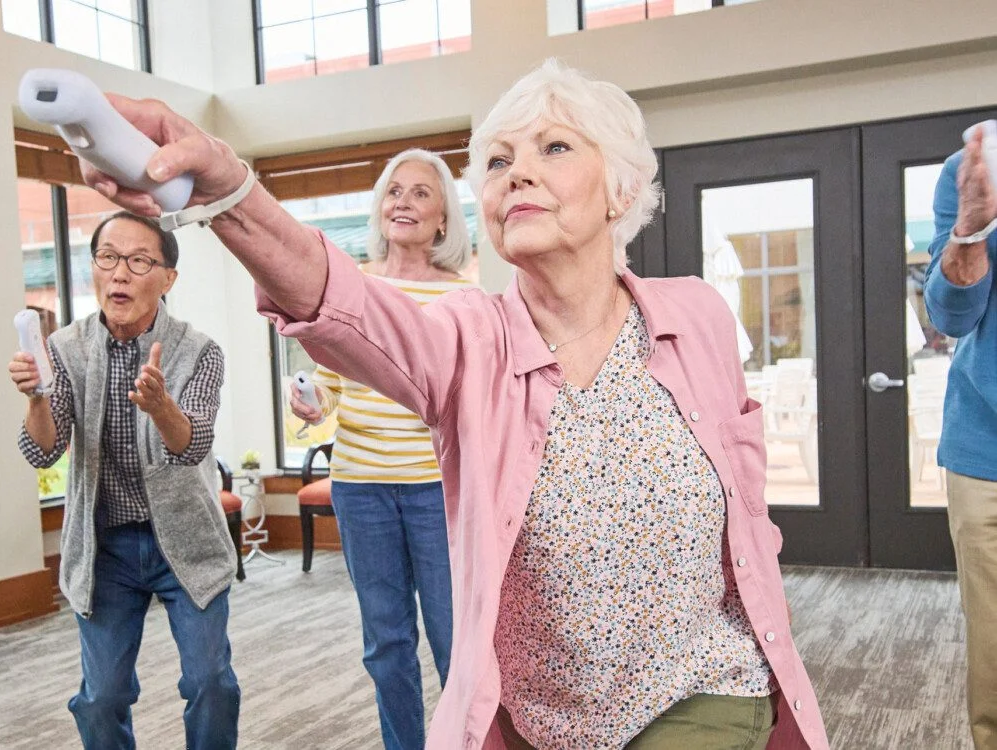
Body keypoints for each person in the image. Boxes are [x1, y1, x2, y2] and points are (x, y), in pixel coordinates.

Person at [80, 60, 828, 749]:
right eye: (498, 162)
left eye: (554, 149)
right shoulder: (470, 338)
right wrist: (227, 192)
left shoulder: (694, 315)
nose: (516, 174)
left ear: (622, 189)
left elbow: (745, 494)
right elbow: (341, 304)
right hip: (542, 717)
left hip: (699, 688)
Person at [8, 212, 240, 750]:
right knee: (102, 698)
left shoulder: (199, 350)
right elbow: (42, 452)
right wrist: (37, 396)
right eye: (108, 258)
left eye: (139, 261)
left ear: (168, 278)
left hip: (184, 541)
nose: (119, 274)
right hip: (104, 546)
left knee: (211, 683)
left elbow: (193, 444)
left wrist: (161, 407)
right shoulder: (65, 349)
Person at [289, 148, 472, 750]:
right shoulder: (355, 291)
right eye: (395, 191)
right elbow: (334, 384)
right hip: (361, 488)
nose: (404, 202)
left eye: (422, 193)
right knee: (386, 642)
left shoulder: (467, 301)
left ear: (443, 218)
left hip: (434, 491)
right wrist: (313, 399)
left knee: (453, 639)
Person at [924, 124, 997, 750]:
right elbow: (951, 316)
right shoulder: (972, 167)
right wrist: (971, 225)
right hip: (987, 453)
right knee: (996, 657)